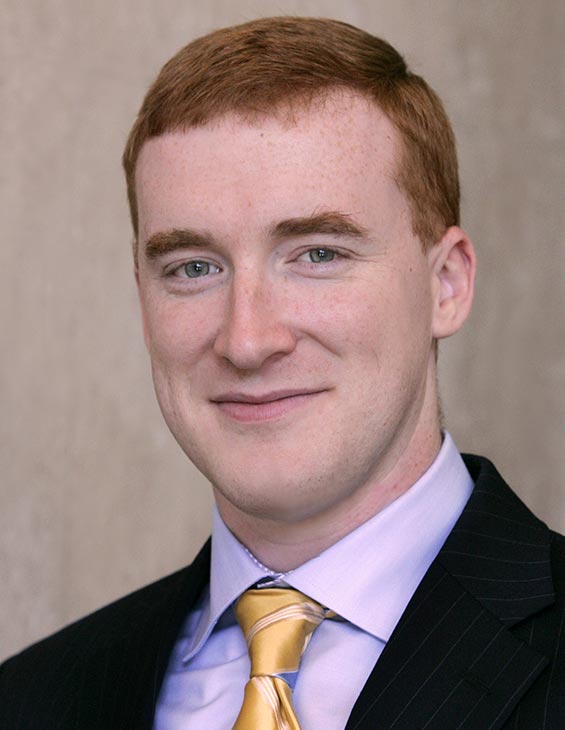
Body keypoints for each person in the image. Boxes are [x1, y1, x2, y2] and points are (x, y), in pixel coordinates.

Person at [0, 16, 563, 730]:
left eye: (317, 254)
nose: (247, 339)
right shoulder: (31, 699)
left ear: (445, 284)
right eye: (193, 268)